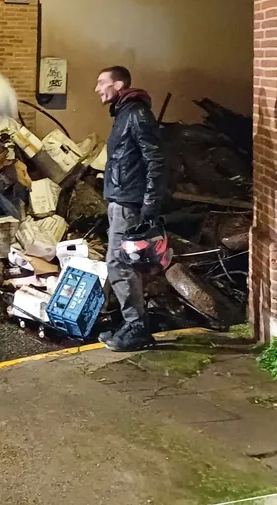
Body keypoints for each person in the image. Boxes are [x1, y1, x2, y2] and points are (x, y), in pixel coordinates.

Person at [94, 66, 165, 352]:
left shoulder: (136, 114)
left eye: (102, 82)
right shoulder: (124, 114)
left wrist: (149, 202)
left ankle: (136, 328)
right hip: (120, 199)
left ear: (119, 84)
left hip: (129, 202)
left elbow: (156, 160)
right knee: (120, 262)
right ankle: (131, 324)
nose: (97, 88)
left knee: (119, 263)